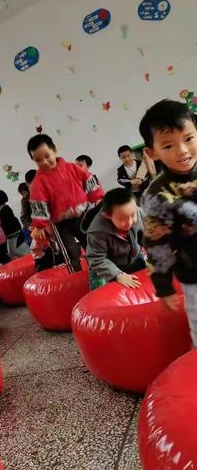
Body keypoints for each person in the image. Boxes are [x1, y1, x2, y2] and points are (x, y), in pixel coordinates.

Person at [139, 99, 197, 346]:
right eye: (169, 145)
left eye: (189, 139)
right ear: (153, 152)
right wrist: (163, 285)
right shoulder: (157, 196)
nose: (182, 151)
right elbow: (156, 243)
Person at [27, 134, 104, 272]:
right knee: (70, 251)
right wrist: (39, 226)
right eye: (38, 160)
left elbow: (88, 180)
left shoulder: (72, 168)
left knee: (92, 243)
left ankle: (100, 269)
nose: (44, 162)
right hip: (60, 223)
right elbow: (38, 204)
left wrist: (98, 198)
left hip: (82, 215)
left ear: (55, 151)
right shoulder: (39, 182)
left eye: (47, 156)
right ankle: (75, 274)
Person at [82, 188, 146, 290]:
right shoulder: (97, 231)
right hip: (104, 266)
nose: (129, 222)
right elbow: (96, 258)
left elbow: (151, 234)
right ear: (107, 216)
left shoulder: (138, 212)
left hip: (133, 258)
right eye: (122, 219)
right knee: (100, 290)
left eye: (132, 215)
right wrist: (118, 275)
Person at [0, 190, 31, 259]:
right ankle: (28, 257)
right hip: (13, 233)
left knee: (12, 251)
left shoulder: (5, 209)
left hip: (12, 233)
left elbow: (6, 223)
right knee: (12, 251)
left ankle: (28, 257)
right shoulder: (5, 208)